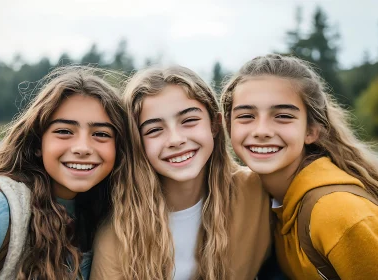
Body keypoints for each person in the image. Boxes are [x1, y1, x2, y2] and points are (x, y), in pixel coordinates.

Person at [0, 66, 132, 280]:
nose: (83, 147)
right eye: (64, 131)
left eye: (101, 134)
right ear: (38, 143)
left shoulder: (106, 217)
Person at [220, 54, 378, 279]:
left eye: (283, 116)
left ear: (311, 130)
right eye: (246, 116)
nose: (261, 130)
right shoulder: (271, 204)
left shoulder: (340, 214)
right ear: (228, 126)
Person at [90, 65, 271, 280]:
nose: (176, 140)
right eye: (154, 130)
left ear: (215, 124)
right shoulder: (120, 233)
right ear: (136, 143)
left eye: (189, 121)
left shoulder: (257, 190)